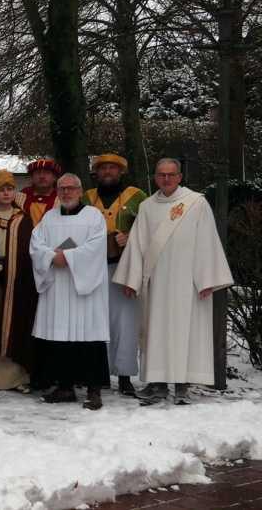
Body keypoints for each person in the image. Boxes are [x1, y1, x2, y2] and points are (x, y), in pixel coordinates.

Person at [113, 158, 233, 406]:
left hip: (187, 282)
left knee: (185, 331)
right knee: (155, 330)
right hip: (155, 281)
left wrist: (207, 278)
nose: (166, 179)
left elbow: (207, 241)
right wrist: (131, 279)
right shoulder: (146, 206)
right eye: (161, 175)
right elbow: (137, 244)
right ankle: (156, 383)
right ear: (155, 177)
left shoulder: (196, 204)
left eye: (171, 174)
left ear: (179, 177)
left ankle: (182, 384)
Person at [30, 173, 110, 410]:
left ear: (80, 190)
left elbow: (96, 246)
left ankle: (93, 389)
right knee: (60, 336)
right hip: (57, 285)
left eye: (71, 188)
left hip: (85, 287)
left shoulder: (93, 216)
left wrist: (69, 257)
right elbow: (36, 245)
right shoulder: (49, 217)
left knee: (89, 336)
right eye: (62, 188)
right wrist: (52, 257)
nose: (66, 193)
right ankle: (65, 387)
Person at [82, 153, 147, 397]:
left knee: (125, 322)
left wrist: (130, 237)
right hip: (93, 269)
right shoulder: (86, 197)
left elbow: (150, 229)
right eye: (103, 168)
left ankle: (125, 376)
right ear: (96, 173)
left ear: (121, 172)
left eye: (112, 168)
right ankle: (96, 374)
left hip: (125, 267)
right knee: (94, 322)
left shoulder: (137, 196)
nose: (107, 172)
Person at [0, 170, 35, 391]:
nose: (6, 193)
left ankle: (14, 376)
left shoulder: (23, 218)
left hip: (17, 278)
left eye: (9, 189)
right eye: (1, 190)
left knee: (14, 323)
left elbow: (29, 249)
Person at [21, 159, 61, 226]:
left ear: (54, 178)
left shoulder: (62, 199)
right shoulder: (21, 196)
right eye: (38, 173)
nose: (42, 176)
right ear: (32, 177)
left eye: (47, 172)